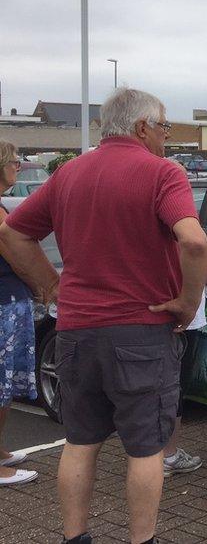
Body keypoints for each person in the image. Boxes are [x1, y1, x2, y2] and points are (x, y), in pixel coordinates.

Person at [0, 88, 207, 543]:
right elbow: (194, 243)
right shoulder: (162, 174)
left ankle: (75, 538)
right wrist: (189, 302)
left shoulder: (68, 173)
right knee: (145, 448)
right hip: (141, 331)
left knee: (81, 442)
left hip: (76, 331)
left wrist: (50, 286)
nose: (166, 137)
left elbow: (14, 235)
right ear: (141, 128)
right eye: (164, 127)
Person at [0, 140, 39, 487]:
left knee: (4, 384)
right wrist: (44, 285)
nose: (19, 166)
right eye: (14, 161)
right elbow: (18, 256)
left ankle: (0, 452)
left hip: (9, 303)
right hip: (4, 307)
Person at [160, 293, 206, 477]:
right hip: (181, 317)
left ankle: (152, 452)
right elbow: (202, 272)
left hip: (154, 315)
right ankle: (168, 455)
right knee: (176, 385)